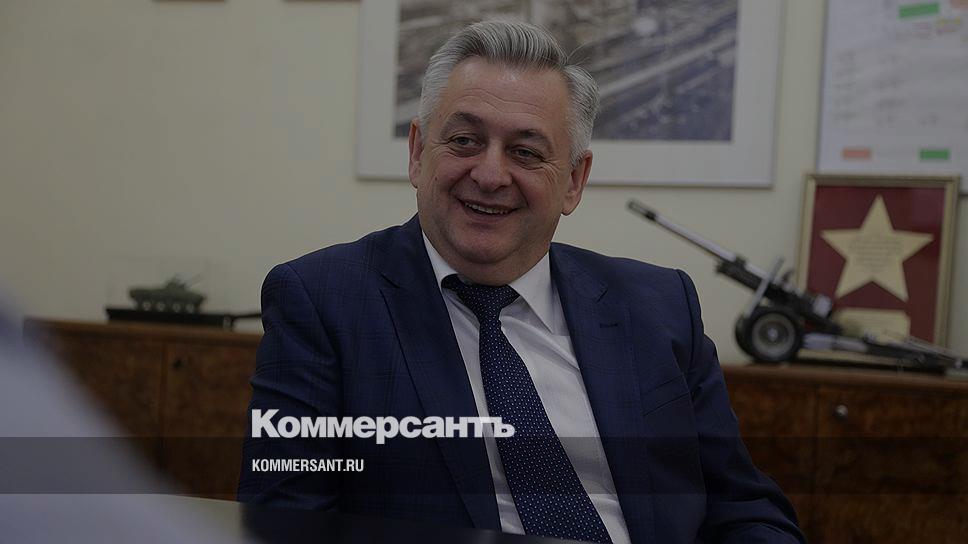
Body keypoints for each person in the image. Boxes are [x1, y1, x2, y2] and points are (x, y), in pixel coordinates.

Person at [239, 20, 805, 544]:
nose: (490, 175)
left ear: (574, 181)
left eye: (526, 152)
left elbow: (743, 506)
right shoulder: (321, 302)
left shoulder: (661, 306)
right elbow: (285, 522)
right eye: (465, 141)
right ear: (417, 153)